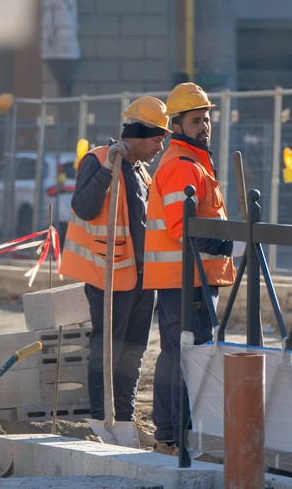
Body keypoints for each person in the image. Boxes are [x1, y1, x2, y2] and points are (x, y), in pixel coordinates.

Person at [59, 96, 170, 426]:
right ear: (137, 134)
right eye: (156, 139)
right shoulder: (98, 160)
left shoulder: (141, 173)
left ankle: (123, 420)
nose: (159, 148)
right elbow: (84, 206)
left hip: (140, 279)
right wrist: (109, 167)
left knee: (134, 353)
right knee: (107, 351)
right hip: (109, 277)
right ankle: (99, 420)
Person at [144, 82, 234, 455]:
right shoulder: (182, 165)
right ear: (177, 126)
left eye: (207, 118)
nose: (205, 126)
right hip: (186, 280)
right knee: (190, 358)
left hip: (184, 279)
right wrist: (230, 242)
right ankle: (180, 436)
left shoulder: (192, 161)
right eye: (196, 120)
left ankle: (171, 433)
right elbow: (185, 228)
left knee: (177, 355)